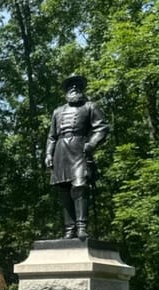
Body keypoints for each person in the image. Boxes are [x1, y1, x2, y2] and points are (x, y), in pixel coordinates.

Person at [45, 74, 110, 240]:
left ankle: (82, 226)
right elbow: (52, 136)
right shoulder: (57, 112)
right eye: (70, 85)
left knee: (80, 186)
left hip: (80, 149)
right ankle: (69, 229)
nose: (74, 88)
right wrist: (48, 154)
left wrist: (92, 144)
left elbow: (101, 128)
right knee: (64, 189)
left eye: (77, 85)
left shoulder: (90, 107)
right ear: (66, 91)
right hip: (60, 150)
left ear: (81, 88)